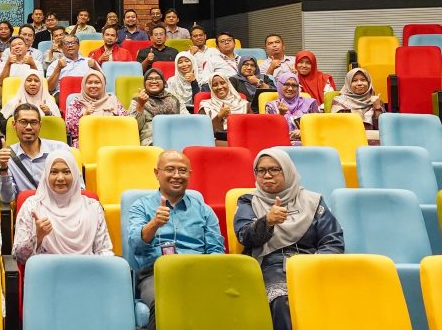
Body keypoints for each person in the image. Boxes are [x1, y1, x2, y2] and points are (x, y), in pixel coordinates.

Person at [234, 148, 344, 330]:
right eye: (261, 170)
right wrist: (267, 221)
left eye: (274, 169)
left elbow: (333, 240)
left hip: (313, 264)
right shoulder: (249, 201)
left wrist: (313, 264)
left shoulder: (313, 201)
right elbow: (244, 236)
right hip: (271, 265)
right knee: (283, 300)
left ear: (287, 170)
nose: (267, 175)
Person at [126, 150, 225, 330]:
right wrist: (154, 224)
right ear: (157, 173)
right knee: (165, 303)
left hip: (198, 272)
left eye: (182, 170)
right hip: (155, 273)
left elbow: (216, 251)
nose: (177, 175)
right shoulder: (141, 206)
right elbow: (135, 245)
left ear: (190, 174)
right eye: (170, 169)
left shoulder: (204, 210)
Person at [12, 151, 113, 263]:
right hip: (47, 271)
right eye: (54, 172)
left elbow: (104, 251)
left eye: (66, 172)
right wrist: (38, 236)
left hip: (87, 270)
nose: (60, 178)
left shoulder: (93, 208)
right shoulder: (32, 206)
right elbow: (19, 257)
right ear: (46, 175)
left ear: (75, 174)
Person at [0, 104, 72, 203]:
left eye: (33, 122)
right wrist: (3, 169)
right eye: (23, 122)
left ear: (40, 125)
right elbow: (7, 199)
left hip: (60, 205)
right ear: (14, 124)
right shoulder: (6, 156)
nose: (28, 127)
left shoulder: (61, 149)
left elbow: (79, 188)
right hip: (28, 210)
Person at [64, 70, 128, 148]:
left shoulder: (113, 100)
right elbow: (71, 131)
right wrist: (85, 115)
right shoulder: (76, 103)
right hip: (86, 142)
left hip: (112, 140)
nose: (93, 86)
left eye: (97, 82)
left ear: (103, 84)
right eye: (89, 83)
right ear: (84, 84)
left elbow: (125, 122)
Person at [130, 69, 187, 146]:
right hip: (151, 140)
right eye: (149, 79)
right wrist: (141, 105)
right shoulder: (137, 100)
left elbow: (186, 119)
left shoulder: (174, 98)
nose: (154, 81)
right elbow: (134, 127)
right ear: (144, 83)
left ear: (163, 82)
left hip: (175, 136)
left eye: (157, 78)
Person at [330, 67, 384, 140]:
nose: (359, 83)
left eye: (363, 80)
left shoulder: (376, 101)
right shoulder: (340, 101)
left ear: (369, 82)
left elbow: (382, 128)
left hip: (372, 141)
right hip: (347, 140)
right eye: (354, 80)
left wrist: (377, 108)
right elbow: (337, 127)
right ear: (348, 83)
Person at [265, 71, 319, 143]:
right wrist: (281, 115)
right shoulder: (271, 106)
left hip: (307, 142)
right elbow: (270, 132)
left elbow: (317, 126)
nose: (290, 88)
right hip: (282, 144)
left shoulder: (309, 103)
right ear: (280, 85)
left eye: (294, 85)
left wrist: (303, 131)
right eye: (286, 84)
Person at [199, 73, 249, 140]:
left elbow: (252, 128)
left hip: (242, 139)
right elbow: (203, 131)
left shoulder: (244, 104)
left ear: (228, 84)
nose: (219, 87)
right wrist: (219, 116)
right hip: (217, 141)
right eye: (215, 85)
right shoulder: (206, 106)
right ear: (211, 88)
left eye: (222, 83)